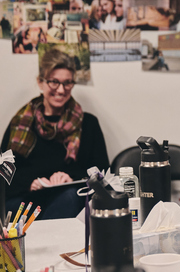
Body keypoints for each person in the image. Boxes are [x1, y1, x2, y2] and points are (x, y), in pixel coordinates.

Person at [1, 49, 109, 219]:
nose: (60, 90)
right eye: (54, 82)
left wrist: (71, 178)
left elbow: (102, 173)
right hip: (26, 200)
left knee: (70, 198)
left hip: (67, 200)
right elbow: (4, 176)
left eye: (67, 83)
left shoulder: (88, 123)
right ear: (40, 82)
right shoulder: (20, 122)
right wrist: (31, 183)